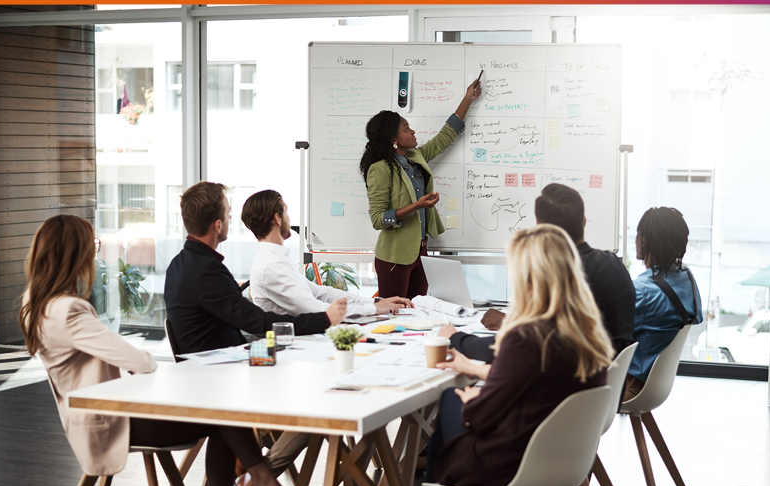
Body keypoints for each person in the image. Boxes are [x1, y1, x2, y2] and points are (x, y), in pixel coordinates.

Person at [21, 215, 315, 486]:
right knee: (223, 415)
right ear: (73, 255)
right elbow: (141, 362)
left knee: (223, 414)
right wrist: (134, 357)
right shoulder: (69, 310)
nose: (95, 254)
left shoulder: (35, 304)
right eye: (93, 246)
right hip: (111, 423)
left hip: (100, 414)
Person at [386, 224, 614, 486]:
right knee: (458, 402)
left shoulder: (526, 335)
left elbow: (485, 416)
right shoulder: (586, 333)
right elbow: (542, 384)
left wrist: (473, 399)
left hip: (518, 465)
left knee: (449, 405)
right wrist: (483, 373)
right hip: (565, 461)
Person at [163, 181, 346, 486]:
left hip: (228, 359)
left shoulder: (182, 264)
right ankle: (261, 477)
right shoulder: (207, 271)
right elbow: (257, 320)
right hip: (226, 369)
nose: (229, 219)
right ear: (218, 225)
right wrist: (323, 320)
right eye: (228, 214)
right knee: (319, 393)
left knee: (302, 356)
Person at [439, 183, 635, 364]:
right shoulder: (613, 263)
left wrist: (457, 339)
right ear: (584, 221)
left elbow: (520, 348)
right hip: (605, 385)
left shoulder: (562, 277)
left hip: (570, 384)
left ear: (540, 231)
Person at [361, 78, 482, 299]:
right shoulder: (380, 169)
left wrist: (468, 99)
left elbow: (445, 136)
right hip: (394, 258)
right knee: (394, 315)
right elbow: (378, 219)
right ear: (393, 139)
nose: (413, 131)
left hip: (420, 251)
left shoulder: (416, 157)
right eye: (406, 128)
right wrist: (416, 206)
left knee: (418, 313)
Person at [243, 189, 413, 317]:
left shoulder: (277, 259)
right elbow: (316, 309)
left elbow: (321, 293)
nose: (289, 218)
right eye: (286, 212)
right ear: (277, 218)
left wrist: (376, 302)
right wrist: (374, 309)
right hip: (295, 344)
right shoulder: (271, 265)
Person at [624, 206, 703, 401]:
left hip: (630, 386)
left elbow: (611, 334)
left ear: (647, 241)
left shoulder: (643, 290)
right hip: (656, 385)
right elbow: (697, 317)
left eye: (638, 235)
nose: (635, 240)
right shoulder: (687, 279)